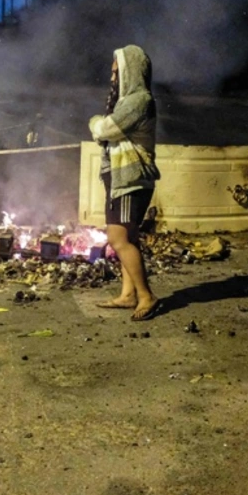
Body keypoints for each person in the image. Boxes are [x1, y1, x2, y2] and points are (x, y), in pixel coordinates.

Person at [89, 44, 162, 322]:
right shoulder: (127, 102)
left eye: (116, 71)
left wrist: (96, 122)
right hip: (121, 180)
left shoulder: (139, 101)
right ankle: (128, 295)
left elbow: (107, 130)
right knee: (128, 237)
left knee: (117, 239)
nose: (112, 78)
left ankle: (146, 296)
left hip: (131, 180)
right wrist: (102, 129)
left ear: (130, 70)